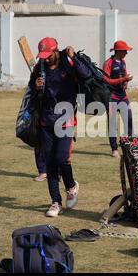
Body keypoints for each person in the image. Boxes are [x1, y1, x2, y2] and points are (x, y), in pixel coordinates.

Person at [31, 37, 92, 217]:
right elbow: (31, 89)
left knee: (61, 159)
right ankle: (55, 202)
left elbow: (86, 75)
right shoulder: (39, 68)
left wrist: (74, 58)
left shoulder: (67, 64)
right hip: (46, 121)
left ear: (56, 51)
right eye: (43, 55)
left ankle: (71, 186)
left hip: (65, 120)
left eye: (48, 54)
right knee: (50, 162)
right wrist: (36, 86)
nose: (45, 58)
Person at [102, 40, 134, 159]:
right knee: (112, 123)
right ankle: (114, 149)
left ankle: (129, 145)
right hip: (111, 97)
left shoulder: (123, 62)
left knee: (128, 119)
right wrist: (122, 79)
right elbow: (106, 80)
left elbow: (124, 75)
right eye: (125, 50)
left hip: (122, 96)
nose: (126, 52)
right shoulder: (108, 63)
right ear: (119, 51)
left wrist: (126, 81)